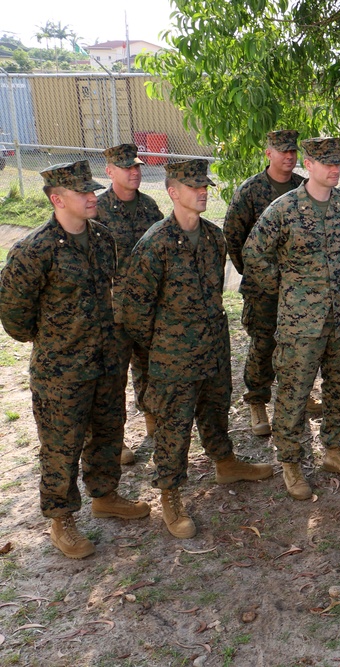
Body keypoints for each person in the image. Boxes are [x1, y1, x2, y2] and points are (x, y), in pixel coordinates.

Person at [0, 161, 150, 558]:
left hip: (107, 360)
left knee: (107, 430)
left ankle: (105, 495)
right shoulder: (34, 251)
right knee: (60, 445)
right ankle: (61, 519)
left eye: (91, 190)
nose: (90, 196)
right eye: (81, 192)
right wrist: (57, 340)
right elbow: (14, 316)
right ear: (56, 199)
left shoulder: (104, 238)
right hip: (61, 370)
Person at [122, 160, 273, 539]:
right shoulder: (155, 243)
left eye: (205, 186)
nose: (203, 191)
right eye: (194, 187)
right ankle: (170, 494)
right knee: (174, 428)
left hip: (213, 346)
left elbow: (213, 293)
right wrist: (162, 348)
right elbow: (135, 313)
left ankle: (225, 461)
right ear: (173, 192)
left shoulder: (213, 237)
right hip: (173, 357)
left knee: (215, 408)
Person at [243, 137, 340, 501]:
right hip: (301, 322)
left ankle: (334, 450)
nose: (334, 169)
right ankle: (292, 462)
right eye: (325, 163)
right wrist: (286, 288)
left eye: (337, 163)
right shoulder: (284, 209)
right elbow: (254, 254)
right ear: (308, 165)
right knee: (294, 393)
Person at [223, 130, 305, 437]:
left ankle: (299, 394)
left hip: (298, 286)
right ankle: (257, 399)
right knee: (263, 343)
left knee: (298, 344)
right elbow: (233, 235)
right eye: (282, 151)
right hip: (262, 288)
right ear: (268, 153)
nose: (289, 156)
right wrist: (255, 274)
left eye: (293, 151)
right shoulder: (250, 190)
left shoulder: (302, 187)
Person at [96, 143, 165, 463]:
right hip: (112, 310)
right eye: (127, 168)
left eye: (136, 167)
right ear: (110, 172)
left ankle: (153, 419)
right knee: (112, 378)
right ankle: (116, 439)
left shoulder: (150, 207)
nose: (135, 172)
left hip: (147, 306)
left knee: (148, 367)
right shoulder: (95, 210)